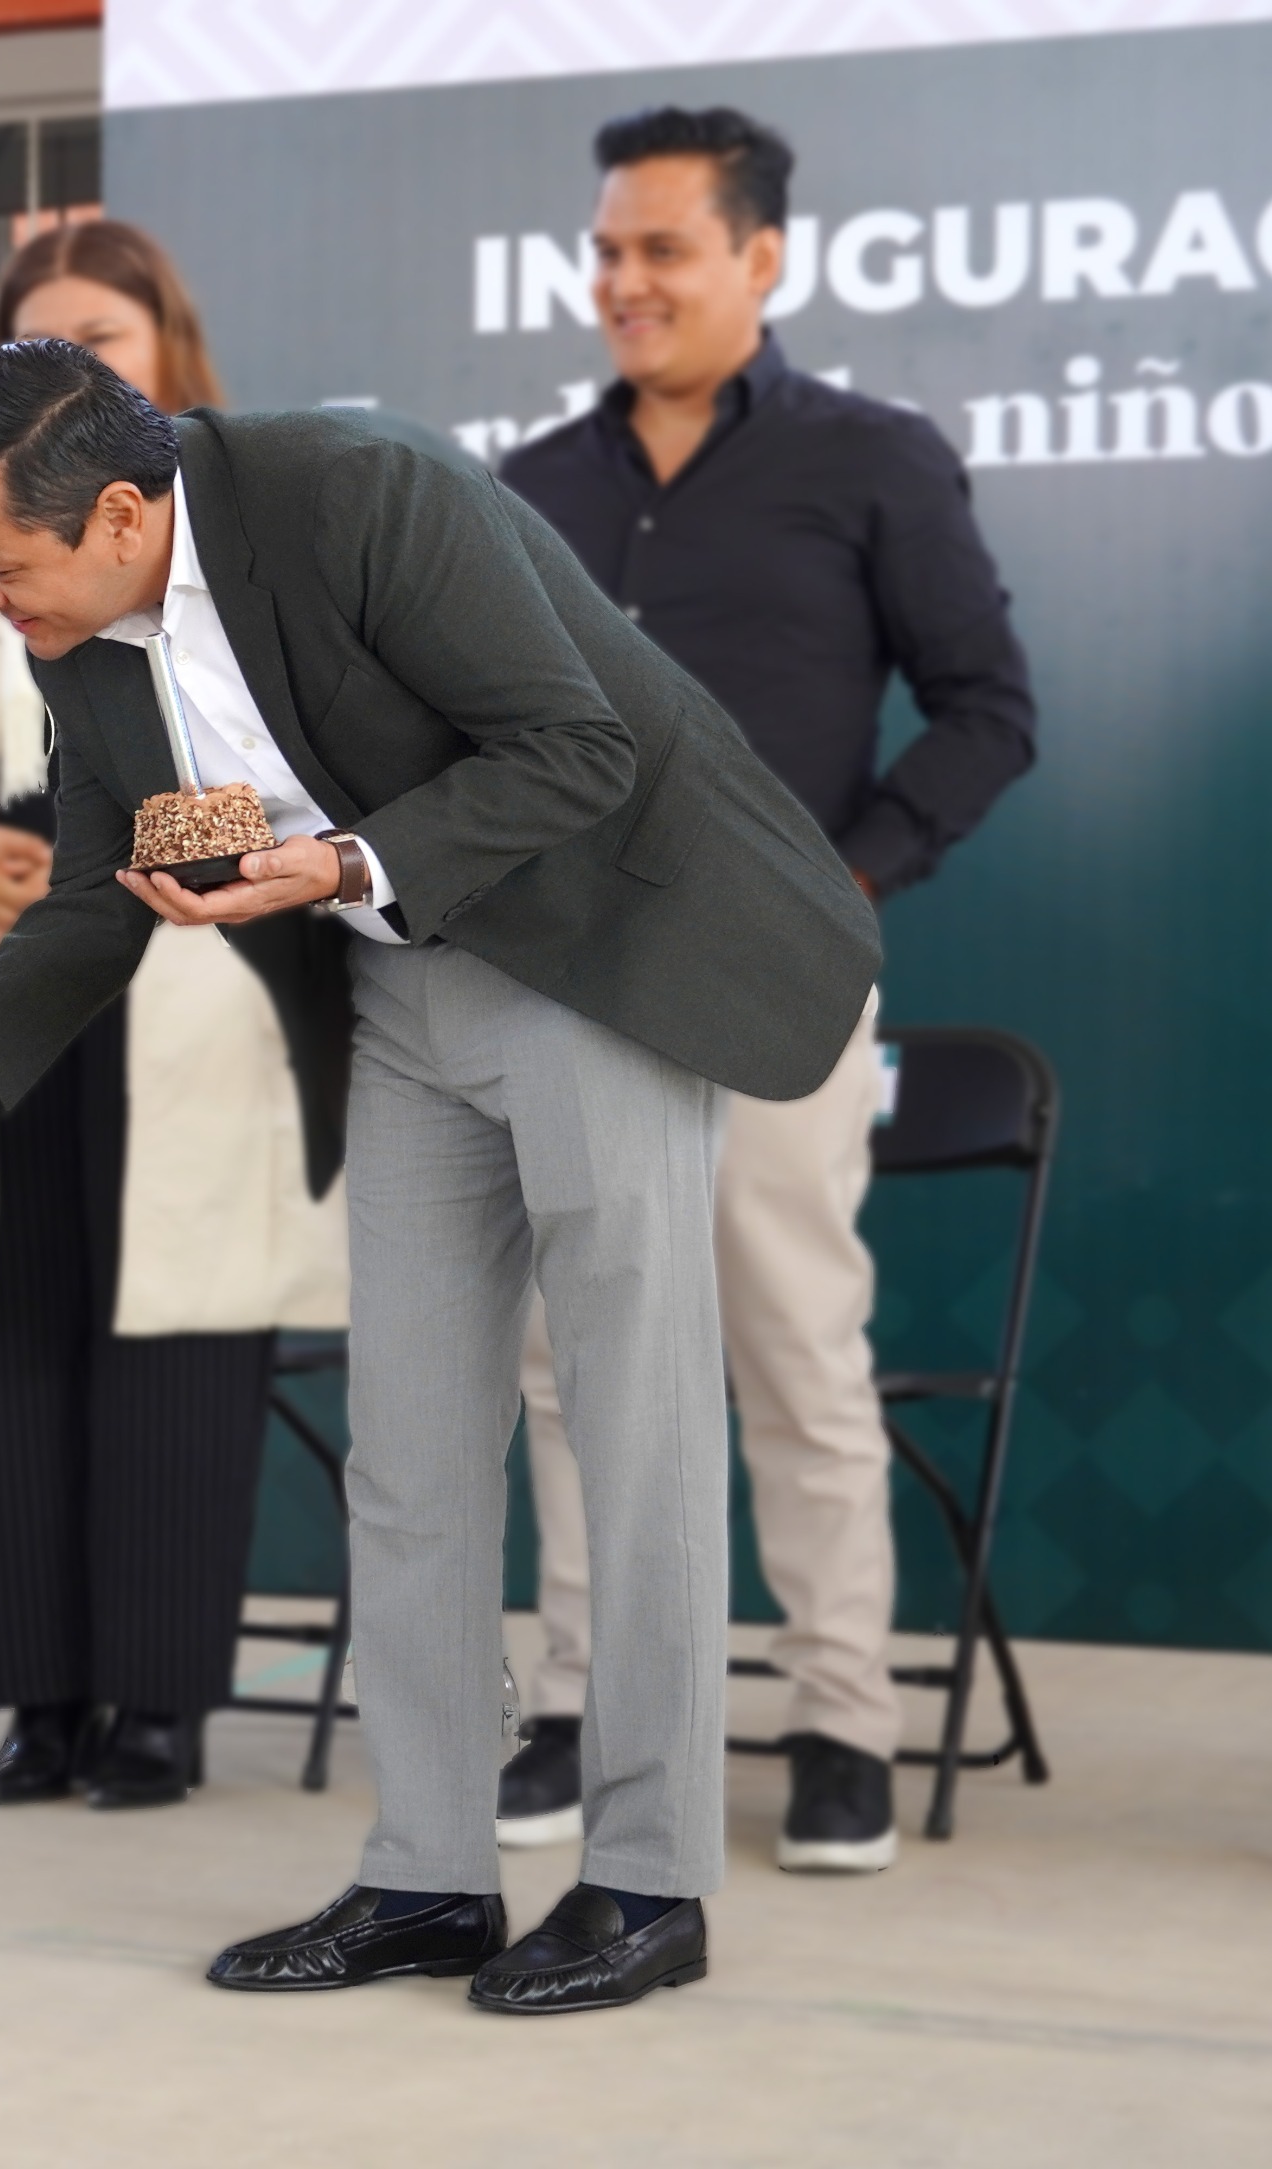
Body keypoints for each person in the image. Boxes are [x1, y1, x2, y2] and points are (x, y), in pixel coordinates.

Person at [0, 338, 878, 2014]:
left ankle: (649, 1880)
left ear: (126, 511)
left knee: (632, 1422)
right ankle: (428, 1871)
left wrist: (341, 859)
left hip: (598, 959)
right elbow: (92, 892)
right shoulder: (87, 629)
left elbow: (577, 744)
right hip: (397, 994)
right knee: (411, 1450)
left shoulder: (364, 491)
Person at [493, 106, 1036, 1876]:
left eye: (661, 250)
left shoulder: (873, 460)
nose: (624, 283)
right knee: (566, 1365)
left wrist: (846, 872)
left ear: (759, 260)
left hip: (787, 985)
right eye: (606, 252)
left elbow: (986, 709)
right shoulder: (533, 488)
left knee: (798, 1349)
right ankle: (575, 1699)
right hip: (573, 988)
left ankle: (840, 1725)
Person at [0, 221, 349, 1812]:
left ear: (162, 356)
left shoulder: (230, 522)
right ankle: (36, 1697)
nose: (71, 369)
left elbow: (283, 740)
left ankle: (164, 1705)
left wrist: (156, 847)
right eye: (35, 342)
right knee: (15, 1327)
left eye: (103, 339)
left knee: (180, 1334)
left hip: (196, 960)